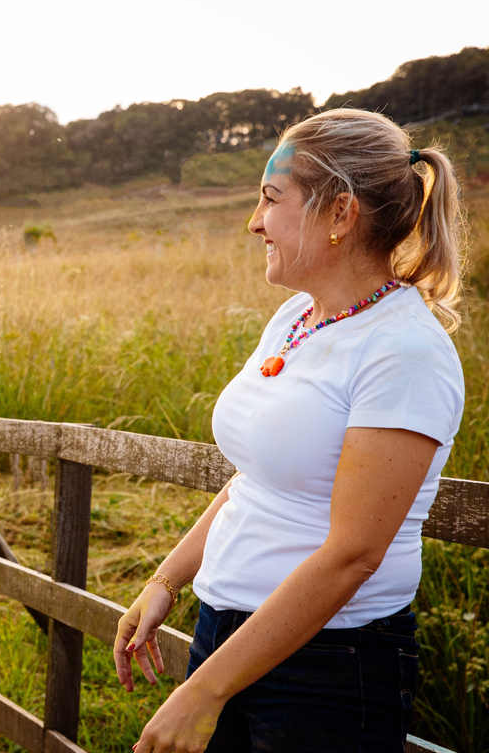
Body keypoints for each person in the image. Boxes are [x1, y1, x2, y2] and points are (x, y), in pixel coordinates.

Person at [113, 108, 466, 753]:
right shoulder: (296, 318)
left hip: (327, 666)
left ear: (340, 214)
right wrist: (166, 580)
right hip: (226, 636)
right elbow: (256, 480)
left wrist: (203, 692)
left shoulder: (404, 350)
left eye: (272, 199)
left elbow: (353, 555)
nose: (255, 221)